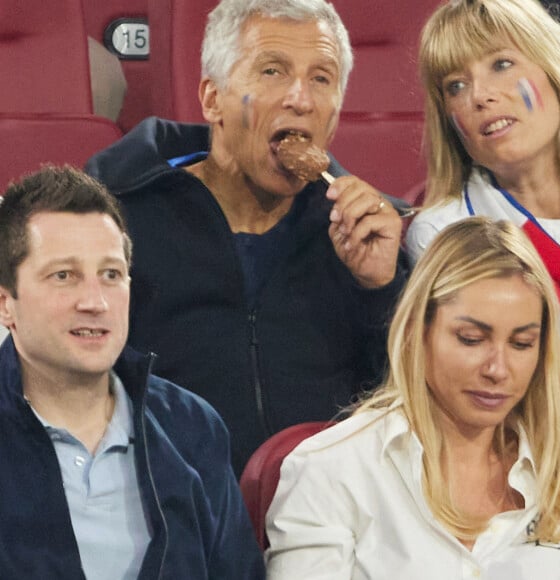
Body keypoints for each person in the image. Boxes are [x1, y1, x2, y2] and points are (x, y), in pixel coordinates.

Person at [86, 0, 408, 476]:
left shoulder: (370, 234)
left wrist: (384, 290)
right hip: (171, 514)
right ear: (212, 98)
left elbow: (406, 408)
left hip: (336, 512)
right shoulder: (116, 218)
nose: (301, 98)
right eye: (273, 71)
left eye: (322, 78)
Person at [266, 217, 560, 579]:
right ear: (417, 330)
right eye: (471, 338)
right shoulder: (331, 471)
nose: (498, 368)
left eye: (521, 344)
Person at [0, 165, 264, 579]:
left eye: (111, 275)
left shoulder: (191, 427)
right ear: (5, 304)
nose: (95, 302)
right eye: (64, 276)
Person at [405, 0, 560, 393]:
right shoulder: (441, 231)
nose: (480, 96)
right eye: (456, 86)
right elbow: (507, 376)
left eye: (501, 64)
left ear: (553, 68)